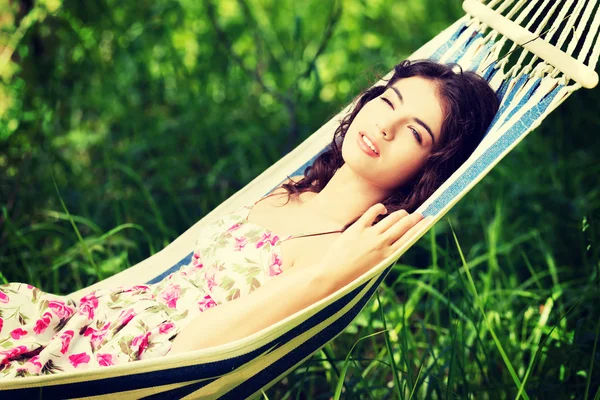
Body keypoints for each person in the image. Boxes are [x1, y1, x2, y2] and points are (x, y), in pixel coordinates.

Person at [0, 59, 499, 378]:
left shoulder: (344, 253)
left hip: (115, 367)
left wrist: (330, 275)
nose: (384, 126)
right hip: (79, 319)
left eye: (414, 133)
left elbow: (193, 351)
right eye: (387, 100)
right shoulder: (293, 184)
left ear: (431, 166)